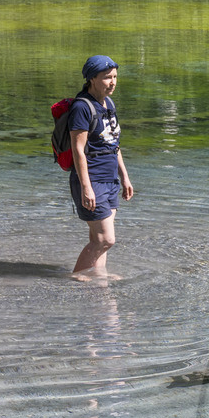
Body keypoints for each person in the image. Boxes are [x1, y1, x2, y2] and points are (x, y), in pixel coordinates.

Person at [69, 55, 134, 280]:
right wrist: (86, 187)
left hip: (109, 180)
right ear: (92, 79)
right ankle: (76, 278)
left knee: (98, 239)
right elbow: (78, 150)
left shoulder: (108, 103)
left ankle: (98, 277)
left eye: (115, 76)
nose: (113, 82)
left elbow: (113, 143)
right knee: (106, 239)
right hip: (92, 179)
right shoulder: (82, 107)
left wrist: (124, 176)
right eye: (107, 77)